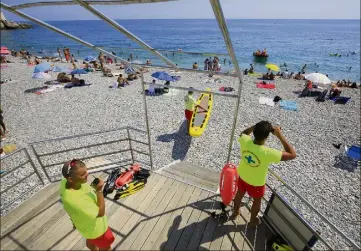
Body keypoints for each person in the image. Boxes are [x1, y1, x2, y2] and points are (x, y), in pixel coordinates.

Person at [231, 121, 296, 226]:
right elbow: (292, 154)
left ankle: (235, 211)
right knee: (256, 202)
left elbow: (244, 133)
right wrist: (279, 135)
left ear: (254, 132)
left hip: (243, 176)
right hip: (257, 182)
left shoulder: (245, 141)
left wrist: (256, 125)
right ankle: (252, 221)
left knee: (239, 194)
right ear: (266, 137)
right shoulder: (268, 152)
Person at [60, 159, 114, 251]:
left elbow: (68, 207)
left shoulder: (64, 182)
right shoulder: (77, 200)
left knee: (91, 242)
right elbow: (100, 213)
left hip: (85, 227)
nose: (87, 174)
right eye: (82, 174)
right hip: (98, 230)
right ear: (70, 179)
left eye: (86, 171)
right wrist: (99, 190)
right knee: (106, 248)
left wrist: (74, 221)